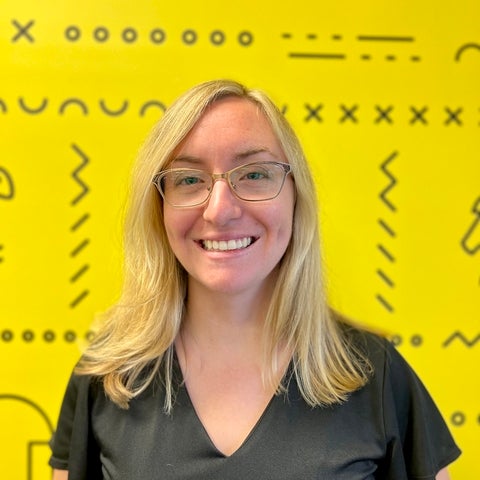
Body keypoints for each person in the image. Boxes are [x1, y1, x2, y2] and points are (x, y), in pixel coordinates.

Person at [49, 79, 461, 480]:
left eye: (254, 174)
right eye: (189, 179)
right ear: (159, 207)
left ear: (296, 196)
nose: (219, 210)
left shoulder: (375, 374)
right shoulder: (108, 377)